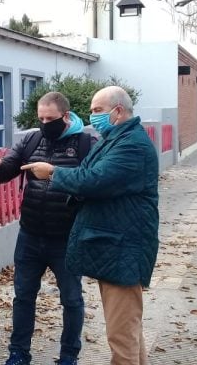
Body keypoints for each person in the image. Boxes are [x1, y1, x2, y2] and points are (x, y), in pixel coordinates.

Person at [22, 86, 159, 365]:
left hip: (123, 249)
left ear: (117, 111)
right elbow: (88, 174)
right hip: (115, 247)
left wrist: (53, 173)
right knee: (128, 332)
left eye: (97, 111)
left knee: (122, 337)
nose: (92, 117)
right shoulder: (115, 138)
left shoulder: (131, 145)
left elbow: (93, 180)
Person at [0, 92, 92, 365]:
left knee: (72, 299)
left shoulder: (85, 143)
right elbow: (5, 171)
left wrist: (54, 172)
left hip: (66, 237)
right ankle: (18, 353)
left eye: (50, 118)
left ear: (66, 117)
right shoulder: (32, 140)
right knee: (23, 297)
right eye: (40, 118)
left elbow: (91, 182)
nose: (44, 123)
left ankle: (69, 356)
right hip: (30, 234)